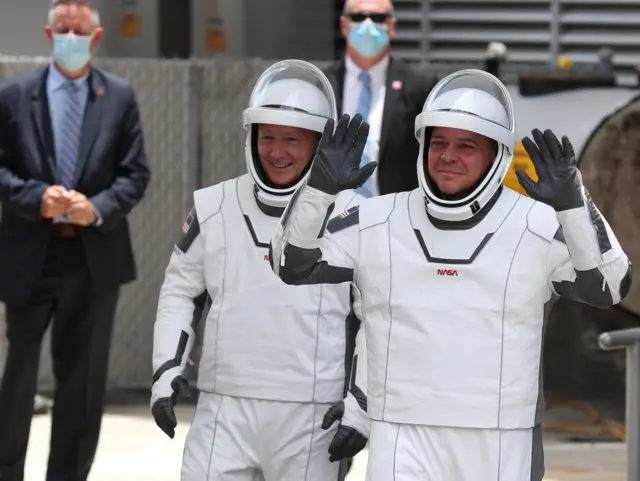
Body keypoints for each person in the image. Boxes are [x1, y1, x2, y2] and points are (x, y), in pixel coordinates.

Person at [270, 69, 632, 480]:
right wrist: (318, 189)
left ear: (497, 154)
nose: (447, 156)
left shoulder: (536, 224)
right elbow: (290, 263)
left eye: (467, 146)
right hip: (400, 436)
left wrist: (573, 204)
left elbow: (610, 286)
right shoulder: (378, 219)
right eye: (438, 142)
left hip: (499, 439)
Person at [150, 59, 369, 481]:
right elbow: (179, 291)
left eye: (292, 139)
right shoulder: (213, 205)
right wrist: (166, 370)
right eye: (267, 137)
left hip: (313, 415)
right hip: (223, 406)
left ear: (319, 145)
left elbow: (375, 319)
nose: (277, 151)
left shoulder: (354, 215)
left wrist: (361, 405)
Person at [0, 0, 151, 479]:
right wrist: (34, 197)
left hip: (92, 259)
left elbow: (135, 173)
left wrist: (97, 207)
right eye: (61, 30)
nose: (69, 37)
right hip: (30, 254)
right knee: (18, 376)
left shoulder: (119, 96)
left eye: (78, 30)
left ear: (96, 38)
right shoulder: (14, 95)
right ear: (48, 36)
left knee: (82, 383)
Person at [324, 0, 437, 197]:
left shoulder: (420, 86)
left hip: (396, 216)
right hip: (330, 214)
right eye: (358, 17)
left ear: (392, 26)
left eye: (378, 18)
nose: (368, 24)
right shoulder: (323, 85)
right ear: (344, 25)